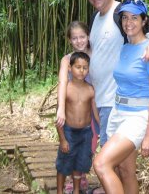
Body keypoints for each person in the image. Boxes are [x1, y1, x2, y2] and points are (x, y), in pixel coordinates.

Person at [56, 0, 149, 149]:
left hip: (114, 100)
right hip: (97, 100)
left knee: (105, 162)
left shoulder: (122, 14)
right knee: (116, 164)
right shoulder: (95, 18)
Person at [93, 0, 149, 193]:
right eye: (125, 17)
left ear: (144, 21)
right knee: (125, 171)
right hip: (118, 113)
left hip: (138, 117)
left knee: (101, 164)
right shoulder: (125, 47)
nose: (128, 22)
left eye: (134, 17)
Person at [55, 21, 96, 192]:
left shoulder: (95, 54)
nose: (79, 41)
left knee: (88, 146)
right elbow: (63, 82)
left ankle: (80, 176)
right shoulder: (67, 60)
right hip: (72, 107)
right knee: (69, 149)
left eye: (82, 37)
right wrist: (61, 109)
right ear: (69, 40)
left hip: (93, 103)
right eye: (74, 38)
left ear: (88, 36)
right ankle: (72, 180)